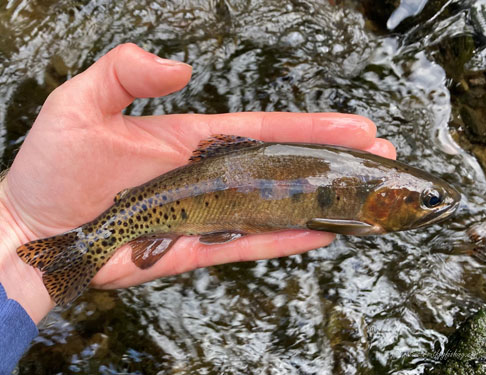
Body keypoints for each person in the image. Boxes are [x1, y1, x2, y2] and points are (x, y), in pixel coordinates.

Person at [0, 43, 396, 372]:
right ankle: (82, 247)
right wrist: (16, 216)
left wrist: (14, 220)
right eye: (430, 202)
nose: (436, 207)